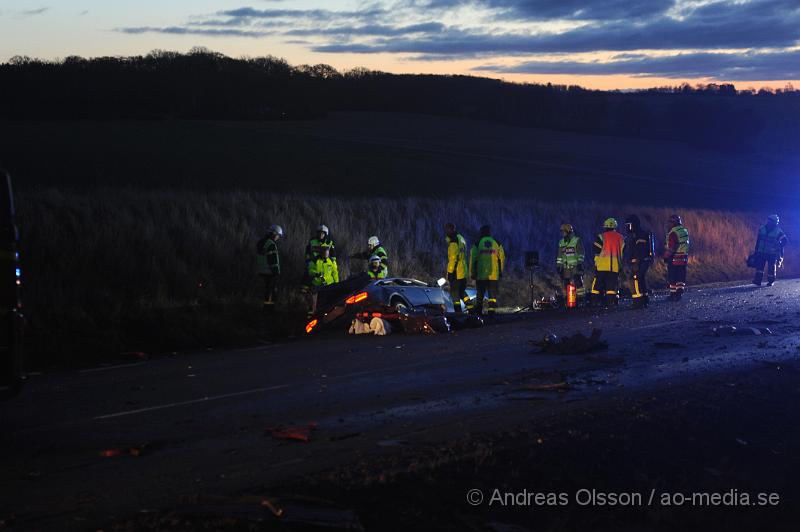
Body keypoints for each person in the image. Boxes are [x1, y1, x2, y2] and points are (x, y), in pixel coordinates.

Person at [470, 225, 505, 318]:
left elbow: (473, 259)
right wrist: (500, 271)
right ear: (490, 232)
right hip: (493, 274)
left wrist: (472, 272)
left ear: (481, 232)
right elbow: (502, 258)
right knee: (492, 295)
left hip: (481, 274)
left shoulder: (477, 243)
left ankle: (479, 312)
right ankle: (491, 312)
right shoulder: (496, 242)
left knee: (480, 294)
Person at [591, 218, 625, 308]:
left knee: (597, 285)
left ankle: (594, 302)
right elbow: (624, 250)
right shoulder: (620, 237)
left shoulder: (601, 236)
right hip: (615, 266)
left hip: (602, 265)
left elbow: (596, 249)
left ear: (605, 226)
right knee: (611, 286)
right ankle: (610, 303)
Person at [624, 215, 655, 309]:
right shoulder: (639, 234)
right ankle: (644, 299)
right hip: (643, 261)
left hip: (640, 262)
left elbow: (640, 251)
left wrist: (637, 263)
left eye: (628, 225)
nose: (627, 227)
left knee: (635, 279)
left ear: (634, 225)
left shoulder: (639, 235)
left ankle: (638, 302)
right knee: (640, 279)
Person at [752, 214, 788, 286]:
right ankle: (757, 281)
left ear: (774, 222)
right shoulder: (762, 228)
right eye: (769, 220)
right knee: (759, 267)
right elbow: (758, 240)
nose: (769, 221)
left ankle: (771, 281)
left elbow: (785, 241)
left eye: (771, 220)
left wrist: (779, 245)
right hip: (761, 251)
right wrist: (756, 249)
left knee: (771, 268)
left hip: (772, 253)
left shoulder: (778, 231)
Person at [556, 223, 586, 306]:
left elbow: (581, 253)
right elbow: (559, 256)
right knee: (566, 283)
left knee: (578, 283)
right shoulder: (561, 242)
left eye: (563, 232)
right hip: (566, 267)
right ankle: (569, 301)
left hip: (575, 266)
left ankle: (581, 300)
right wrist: (559, 266)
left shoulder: (576, 240)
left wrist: (579, 263)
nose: (562, 234)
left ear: (568, 231)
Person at [256, 224, 283, 313]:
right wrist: (276, 272)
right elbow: (273, 260)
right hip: (270, 272)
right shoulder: (271, 244)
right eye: (278, 235)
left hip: (261, 270)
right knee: (271, 291)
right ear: (274, 234)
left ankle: (264, 308)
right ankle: (269, 310)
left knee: (265, 290)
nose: (278, 238)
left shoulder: (261, 242)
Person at [663, 214, 690, 301]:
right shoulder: (684, 231)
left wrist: (666, 256)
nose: (668, 224)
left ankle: (673, 294)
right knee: (681, 276)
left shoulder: (673, 233)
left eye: (670, 222)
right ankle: (679, 293)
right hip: (683, 258)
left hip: (674, 258)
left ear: (673, 223)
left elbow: (672, 247)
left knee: (673, 277)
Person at [445, 222, 470, 313]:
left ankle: (458, 313)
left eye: (447, 229)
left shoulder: (453, 241)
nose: (446, 232)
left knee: (455, 294)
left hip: (456, 271)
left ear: (452, 229)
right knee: (462, 292)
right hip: (463, 270)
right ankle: (471, 308)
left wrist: (450, 272)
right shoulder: (461, 239)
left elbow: (453, 258)